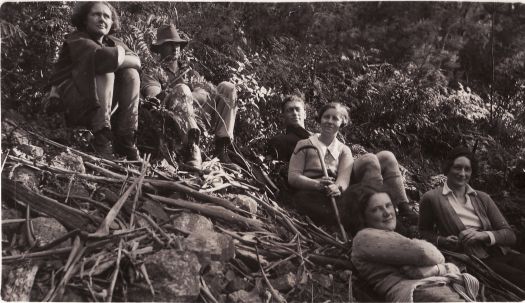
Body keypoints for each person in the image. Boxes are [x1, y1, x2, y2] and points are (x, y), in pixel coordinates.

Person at [287, 101, 418, 226]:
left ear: (342, 123)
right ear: (320, 119)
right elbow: (293, 177)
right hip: (314, 193)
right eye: (326, 117)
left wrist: (337, 188)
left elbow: (343, 179)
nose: (330, 122)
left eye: (335, 118)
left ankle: (400, 210)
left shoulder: (344, 150)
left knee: (385, 157)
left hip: (336, 192)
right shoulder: (305, 144)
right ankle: (375, 211)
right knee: (370, 160)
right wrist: (317, 184)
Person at [350, 183, 478, 302]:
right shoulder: (364, 237)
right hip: (416, 291)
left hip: (433, 288)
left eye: (388, 205)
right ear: (363, 216)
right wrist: (444, 267)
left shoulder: (390, 236)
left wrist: (437, 268)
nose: (387, 213)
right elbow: (424, 253)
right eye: (376, 209)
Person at [419, 146, 525, 289]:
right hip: (476, 262)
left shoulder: (482, 197)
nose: (462, 173)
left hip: (501, 252)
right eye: (457, 167)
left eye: (467, 169)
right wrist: (442, 240)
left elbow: (510, 235)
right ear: (448, 168)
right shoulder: (432, 198)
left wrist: (483, 235)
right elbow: (423, 233)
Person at [50, 1, 141, 161]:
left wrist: (118, 58)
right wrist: (118, 59)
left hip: (99, 103)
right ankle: (101, 137)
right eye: (96, 14)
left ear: (112, 22)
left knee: (131, 74)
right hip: (72, 102)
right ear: (85, 19)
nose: (102, 19)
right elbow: (102, 59)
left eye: (107, 16)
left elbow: (137, 62)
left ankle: (126, 138)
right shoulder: (77, 39)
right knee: (106, 71)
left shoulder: (112, 42)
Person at [141, 24, 238, 170]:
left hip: (198, 115)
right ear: (160, 49)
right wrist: (181, 92)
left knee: (227, 87)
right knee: (183, 88)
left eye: (178, 45)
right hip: (172, 119)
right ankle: (192, 149)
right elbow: (155, 97)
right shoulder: (152, 72)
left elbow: (205, 92)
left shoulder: (189, 72)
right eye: (169, 45)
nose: (175, 48)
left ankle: (222, 148)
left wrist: (187, 96)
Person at [268, 95, 311, 162]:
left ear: (305, 114)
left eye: (298, 109)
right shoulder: (279, 141)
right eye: (290, 110)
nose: (294, 113)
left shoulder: (318, 138)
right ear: (283, 116)